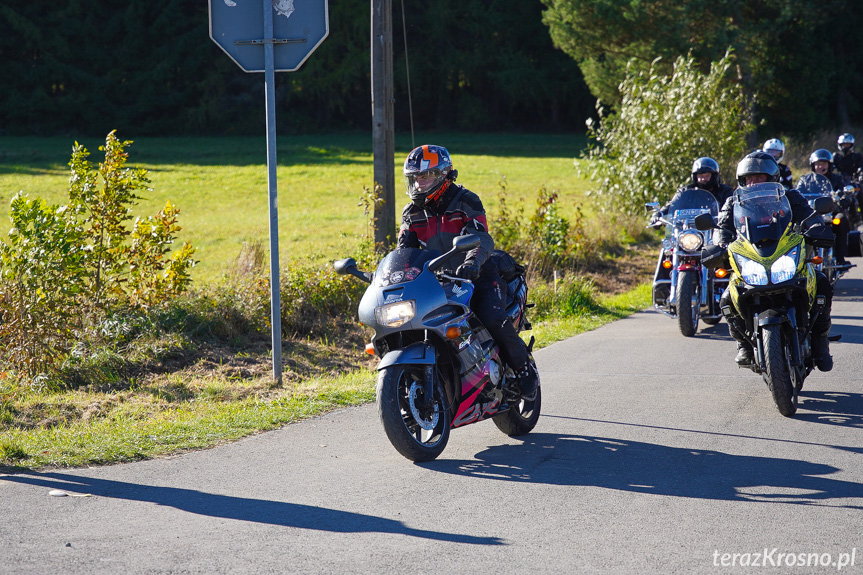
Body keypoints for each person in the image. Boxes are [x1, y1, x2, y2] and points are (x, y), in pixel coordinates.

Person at [397, 144, 538, 398]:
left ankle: (523, 368)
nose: (419, 183)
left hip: (478, 272)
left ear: (443, 176)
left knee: (492, 316)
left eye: (426, 176)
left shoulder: (465, 201)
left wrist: (472, 262)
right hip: (437, 281)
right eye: (416, 178)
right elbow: (404, 253)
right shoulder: (412, 213)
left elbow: (481, 238)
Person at [715, 151, 834, 371]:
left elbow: (810, 216)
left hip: (785, 255)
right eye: (748, 179)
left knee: (822, 284)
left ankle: (820, 340)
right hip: (752, 260)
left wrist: (817, 227)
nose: (753, 182)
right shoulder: (733, 201)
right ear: (741, 181)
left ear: (772, 178)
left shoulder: (791, 197)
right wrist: (719, 244)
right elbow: (722, 227)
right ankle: (744, 345)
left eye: (758, 177)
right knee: (726, 300)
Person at [798, 149, 851, 266]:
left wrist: (844, 198)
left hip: (830, 213)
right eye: (817, 164)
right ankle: (799, 261)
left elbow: (843, 192)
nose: (820, 166)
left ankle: (840, 258)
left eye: (823, 164)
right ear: (813, 165)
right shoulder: (804, 180)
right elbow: (797, 194)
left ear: (829, 165)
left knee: (840, 220)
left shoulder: (837, 179)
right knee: (797, 227)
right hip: (811, 214)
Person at [650, 157, 733, 226]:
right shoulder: (685, 192)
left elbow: (732, 209)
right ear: (695, 177)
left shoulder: (725, 192)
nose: (703, 179)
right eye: (700, 176)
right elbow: (672, 205)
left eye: (707, 176)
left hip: (716, 231)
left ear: (714, 176)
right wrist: (659, 214)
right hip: (688, 232)